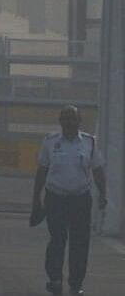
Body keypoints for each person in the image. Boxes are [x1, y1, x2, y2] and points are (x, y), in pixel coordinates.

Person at [33, 106, 108, 296]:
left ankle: (75, 284)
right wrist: (36, 198)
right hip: (55, 198)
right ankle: (55, 279)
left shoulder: (89, 142)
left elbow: (98, 170)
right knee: (57, 240)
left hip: (80, 200)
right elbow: (42, 170)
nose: (69, 122)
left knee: (79, 243)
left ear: (79, 121)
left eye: (73, 119)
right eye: (65, 118)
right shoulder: (50, 142)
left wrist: (103, 194)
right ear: (60, 121)